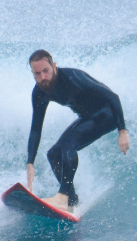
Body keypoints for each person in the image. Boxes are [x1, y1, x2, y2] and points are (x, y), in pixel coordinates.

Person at [26, 50, 130, 212]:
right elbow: (36, 128)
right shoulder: (40, 92)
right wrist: (30, 162)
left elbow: (113, 97)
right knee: (53, 154)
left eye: (46, 71)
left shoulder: (73, 77)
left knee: (69, 144)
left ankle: (63, 196)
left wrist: (122, 130)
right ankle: (72, 201)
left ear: (54, 66)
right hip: (87, 118)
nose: (43, 77)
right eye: (37, 74)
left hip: (107, 113)